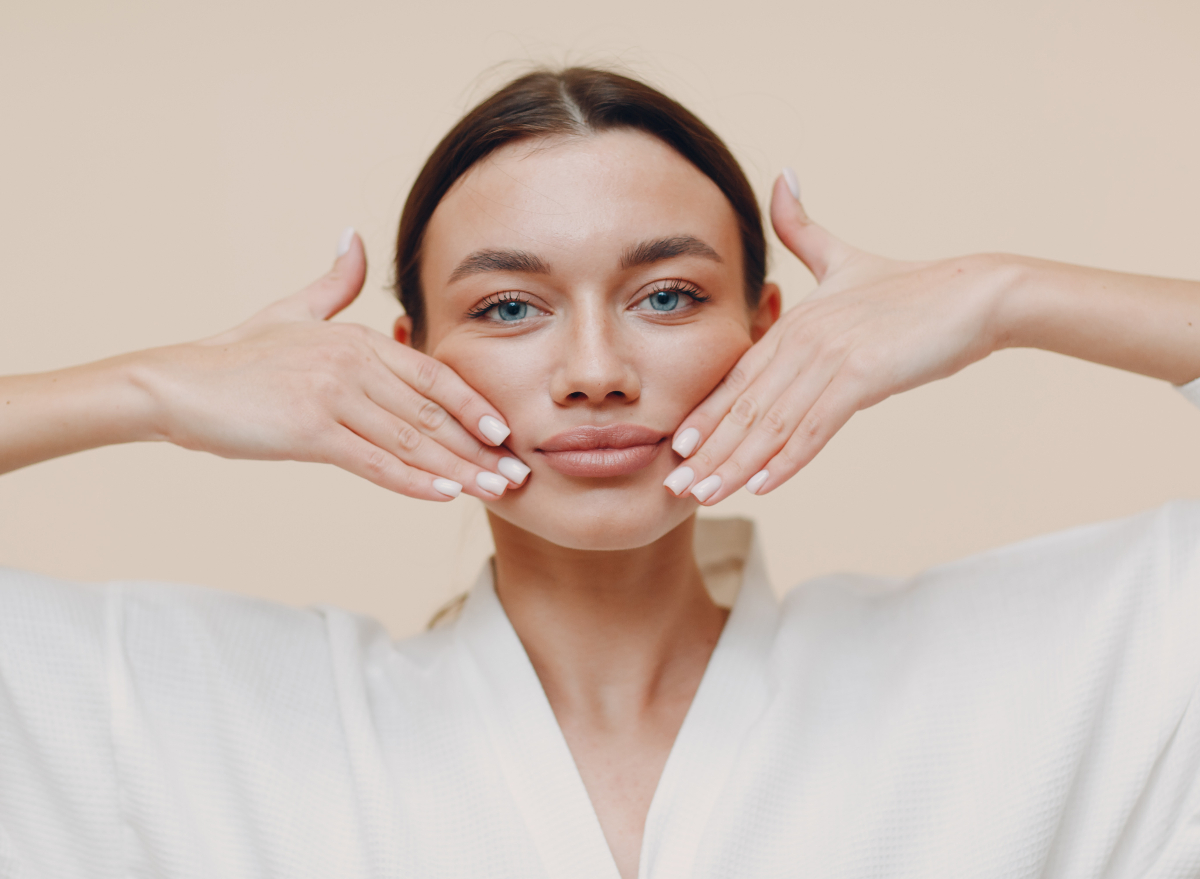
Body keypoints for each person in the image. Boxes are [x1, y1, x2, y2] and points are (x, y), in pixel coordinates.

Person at [1, 67, 1198, 879]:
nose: (594, 371)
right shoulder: (193, 716)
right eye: (510, 305)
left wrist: (1007, 296)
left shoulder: (1019, 678)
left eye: (666, 295)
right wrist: (147, 389)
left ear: (770, 328)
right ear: (410, 358)